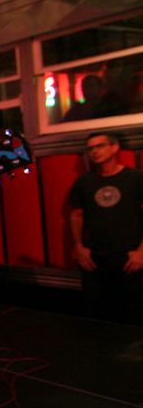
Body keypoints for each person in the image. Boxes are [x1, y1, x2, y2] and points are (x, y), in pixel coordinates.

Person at [69, 131, 143, 324]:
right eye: (90, 148)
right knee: (96, 312)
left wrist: (141, 251)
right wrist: (79, 247)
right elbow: (76, 215)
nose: (94, 151)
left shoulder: (135, 177)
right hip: (95, 257)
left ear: (115, 147)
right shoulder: (84, 181)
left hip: (129, 256)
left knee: (132, 313)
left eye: (100, 146)